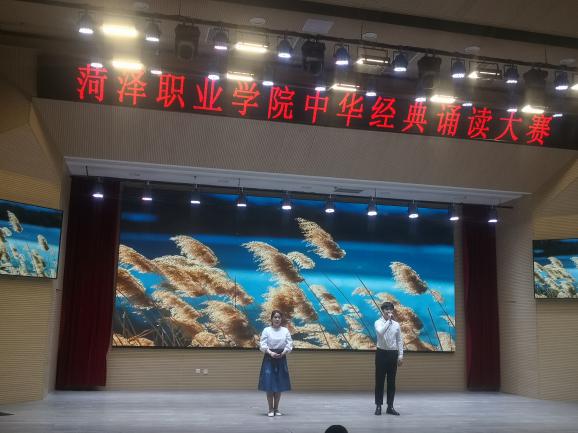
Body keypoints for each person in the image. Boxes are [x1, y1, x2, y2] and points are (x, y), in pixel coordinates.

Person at [258, 309, 293, 417]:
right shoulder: (266, 330)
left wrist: (284, 352)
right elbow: (263, 345)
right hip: (269, 358)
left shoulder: (285, 331)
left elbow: (289, 344)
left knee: (279, 385)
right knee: (269, 385)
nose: (277, 319)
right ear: (271, 319)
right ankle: (270, 409)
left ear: (281, 319)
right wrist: (270, 353)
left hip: (281, 358)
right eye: (275, 317)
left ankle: (276, 409)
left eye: (279, 317)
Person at [374, 301, 403, 416]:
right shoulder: (378, 322)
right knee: (379, 381)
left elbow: (399, 340)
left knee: (391, 382)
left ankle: (390, 407)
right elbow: (381, 332)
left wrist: (400, 355)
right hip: (381, 353)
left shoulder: (396, 325)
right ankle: (378, 406)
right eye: (387, 310)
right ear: (382, 311)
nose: (389, 312)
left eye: (391, 310)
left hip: (392, 354)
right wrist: (389, 321)